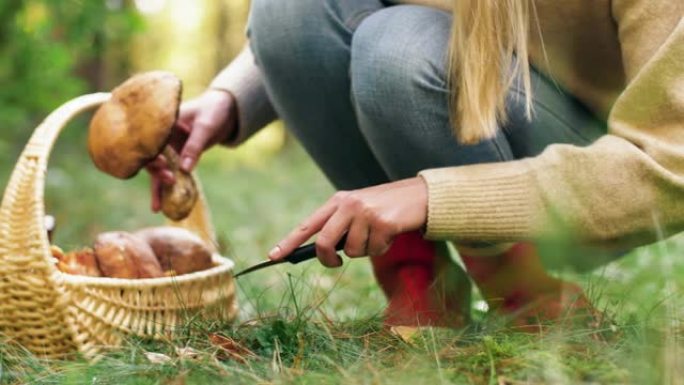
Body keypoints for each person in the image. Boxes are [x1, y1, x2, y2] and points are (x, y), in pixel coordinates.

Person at [147, 0, 684, 328]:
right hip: (460, 78)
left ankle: (523, 287)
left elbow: (668, 167)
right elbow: (316, 19)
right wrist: (232, 99)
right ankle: (418, 284)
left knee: (397, 48)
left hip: (581, 159)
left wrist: (439, 196)